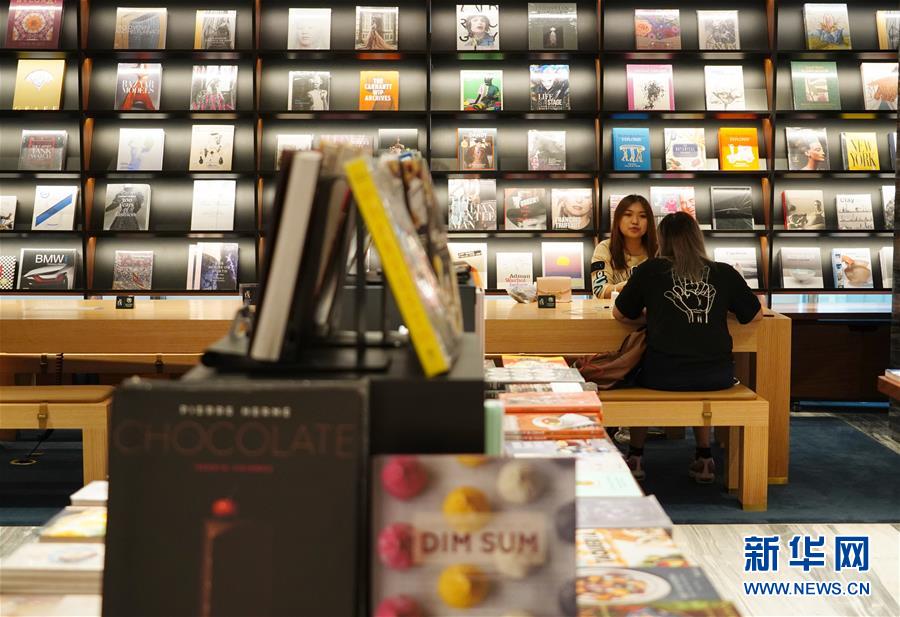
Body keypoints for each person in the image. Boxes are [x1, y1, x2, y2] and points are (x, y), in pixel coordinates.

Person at [612, 212, 763, 482]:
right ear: (697, 238)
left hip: (662, 375)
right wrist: (718, 310)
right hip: (717, 376)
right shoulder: (723, 272)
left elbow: (619, 314)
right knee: (699, 373)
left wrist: (655, 315)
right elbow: (755, 314)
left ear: (662, 240)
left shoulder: (650, 270)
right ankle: (704, 457)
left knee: (636, 374)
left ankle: (636, 456)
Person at [591, 195, 658, 299]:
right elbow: (600, 290)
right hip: (611, 309)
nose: (635, 221)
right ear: (618, 219)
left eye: (642, 216)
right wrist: (634, 285)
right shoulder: (605, 248)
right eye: (628, 214)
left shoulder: (659, 250)